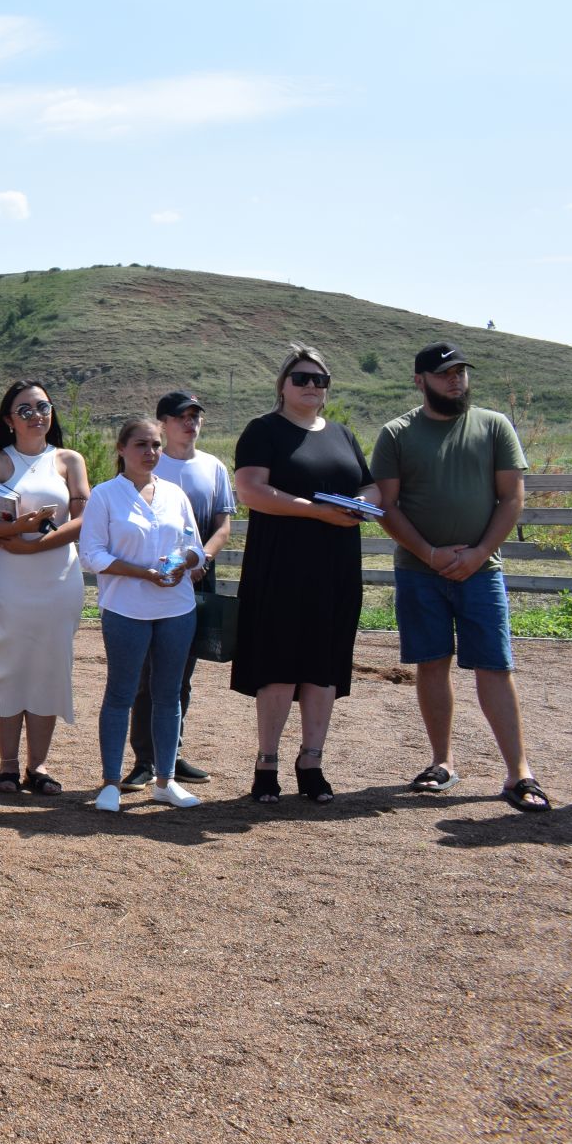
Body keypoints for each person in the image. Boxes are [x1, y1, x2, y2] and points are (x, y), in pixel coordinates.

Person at [372, 342, 549, 812]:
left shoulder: (493, 426)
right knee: (432, 663)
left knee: (495, 666)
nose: (456, 380)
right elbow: (386, 505)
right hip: (418, 571)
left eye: (461, 372)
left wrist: (479, 553)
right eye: (445, 373)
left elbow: (512, 497)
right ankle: (442, 763)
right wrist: (429, 554)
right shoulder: (396, 434)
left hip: (480, 571)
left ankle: (519, 774)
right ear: (420, 380)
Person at [231, 344, 379, 805]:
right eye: (302, 378)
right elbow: (252, 490)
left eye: (320, 379)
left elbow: (367, 484)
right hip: (281, 565)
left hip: (335, 566)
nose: (312, 386)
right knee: (278, 665)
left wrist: (365, 504)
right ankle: (267, 763)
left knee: (324, 663)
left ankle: (312, 761)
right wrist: (317, 512)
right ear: (283, 384)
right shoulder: (264, 430)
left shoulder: (343, 434)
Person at [0, 381, 89, 796]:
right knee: (9, 669)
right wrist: (15, 531)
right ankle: (8, 766)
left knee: (51, 669)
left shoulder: (69, 460)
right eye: (26, 409)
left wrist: (37, 544)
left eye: (43, 406)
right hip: (8, 584)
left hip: (58, 581)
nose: (37, 415)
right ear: (8, 420)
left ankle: (40, 764)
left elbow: (85, 518)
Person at [80, 418, 206, 812]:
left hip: (175, 607)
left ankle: (165, 781)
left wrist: (184, 562)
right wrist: (142, 573)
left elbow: (196, 547)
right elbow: (92, 554)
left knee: (169, 695)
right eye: (141, 445)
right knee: (122, 693)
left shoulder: (174, 493)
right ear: (121, 449)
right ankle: (110, 783)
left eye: (155, 445)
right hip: (125, 608)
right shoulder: (105, 495)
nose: (150, 452)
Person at [121, 391, 236, 790]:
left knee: (181, 671)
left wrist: (201, 558)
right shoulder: (149, 461)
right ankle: (143, 760)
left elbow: (223, 524)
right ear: (162, 422)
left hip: (198, 574)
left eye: (195, 416)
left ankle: (171, 753)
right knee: (145, 673)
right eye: (181, 416)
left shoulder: (214, 467)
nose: (190, 423)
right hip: (154, 577)